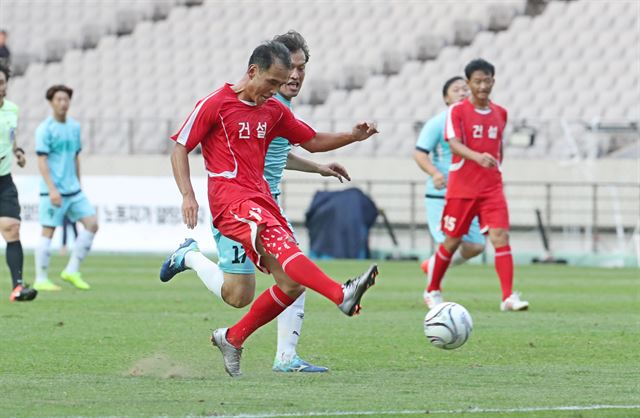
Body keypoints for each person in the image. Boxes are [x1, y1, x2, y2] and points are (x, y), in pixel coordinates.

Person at [163, 40, 379, 377]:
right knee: (281, 249)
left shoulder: (274, 110)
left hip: (262, 199)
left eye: (281, 84)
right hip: (231, 203)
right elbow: (180, 148)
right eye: (272, 82)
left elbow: (311, 140)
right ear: (253, 72)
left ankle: (232, 338)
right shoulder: (215, 104)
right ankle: (341, 294)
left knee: (283, 286)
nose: (275, 90)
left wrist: (351, 136)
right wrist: (187, 195)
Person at [428, 58, 529, 312]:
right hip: (463, 187)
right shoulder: (457, 111)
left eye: (487, 81)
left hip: (492, 187)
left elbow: (499, 147)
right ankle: (432, 290)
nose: (482, 86)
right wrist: (477, 157)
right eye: (477, 81)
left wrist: (496, 166)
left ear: (493, 81)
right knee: (452, 241)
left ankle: (508, 297)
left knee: (500, 236)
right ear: (469, 83)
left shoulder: (500, 113)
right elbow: (454, 144)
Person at [414, 76, 485, 308]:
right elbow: (420, 153)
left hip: (468, 193)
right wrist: (435, 173)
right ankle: (431, 291)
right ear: (446, 97)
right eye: (456, 90)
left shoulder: (474, 123)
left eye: (466, 89)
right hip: (442, 194)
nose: (463, 92)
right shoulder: (438, 123)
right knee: (447, 243)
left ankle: (433, 264)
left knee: (476, 246)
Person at [33, 85, 98, 292]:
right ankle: (41, 278)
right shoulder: (45, 129)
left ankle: (71, 270)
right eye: (59, 99)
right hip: (54, 190)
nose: (63, 103)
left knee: (92, 224)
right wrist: (52, 189)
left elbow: (75, 157)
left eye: (66, 99)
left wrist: (79, 183)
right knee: (48, 231)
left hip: (73, 190)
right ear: (51, 102)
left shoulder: (74, 127)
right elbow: (42, 161)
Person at [0, 64, 37, 301]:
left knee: (12, 228)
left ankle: (18, 287)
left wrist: (18, 152)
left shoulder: (12, 109)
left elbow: (10, 136)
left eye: (1, 82)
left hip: (4, 180)